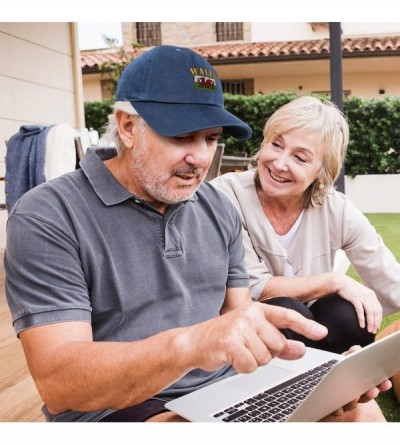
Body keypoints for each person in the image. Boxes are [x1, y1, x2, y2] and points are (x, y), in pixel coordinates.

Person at [4, 47, 388, 423]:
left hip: (227, 390)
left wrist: (314, 378)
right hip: (125, 407)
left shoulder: (216, 206)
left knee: (360, 411)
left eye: (210, 138)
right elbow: (61, 384)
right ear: (127, 126)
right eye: (183, 137)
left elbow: (239, 316)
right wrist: (192, 344)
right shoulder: (48, 214)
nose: (201, 158)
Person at [211, 96, 400, 354]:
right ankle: (314, 380)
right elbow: (251, 288)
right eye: (276, 145)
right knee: (286, 309)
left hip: (312, 332)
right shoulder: (225, 195)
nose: (279, 164)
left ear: (323, 172)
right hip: (242, 333)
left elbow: (392, 282)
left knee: (351, 313)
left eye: (300, 158)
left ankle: (333, 373)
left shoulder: (336, 208)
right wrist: (334, 281)